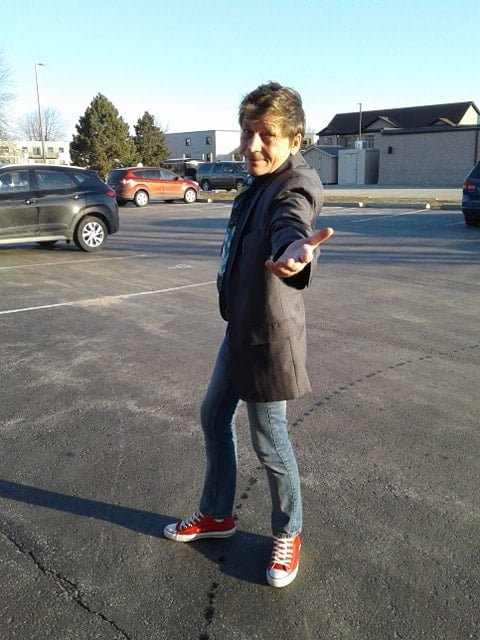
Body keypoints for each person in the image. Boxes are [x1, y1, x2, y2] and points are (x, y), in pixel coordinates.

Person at [164, 82, 333, 588]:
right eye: (247, 132)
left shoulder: (294, 183)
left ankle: (290, 531)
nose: (253, 145)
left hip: (268, 335)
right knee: (214, 413)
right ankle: (218, 514)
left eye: (267, 135)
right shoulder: (259, 180)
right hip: (241, 324)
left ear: (295, 138)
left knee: (269, 437)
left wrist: (295, 251)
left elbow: (292, 221)